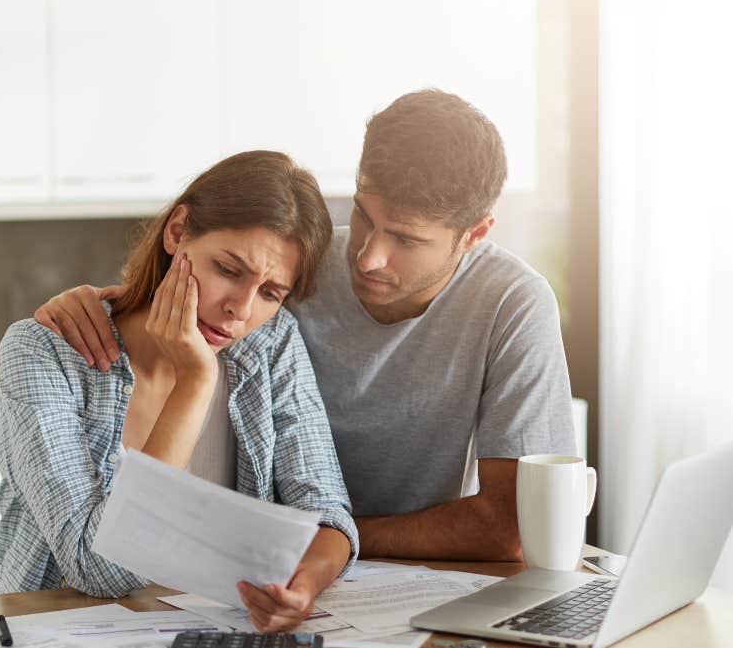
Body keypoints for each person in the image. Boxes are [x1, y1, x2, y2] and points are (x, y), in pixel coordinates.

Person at [35, 90, 575, 563]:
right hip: (273, 567)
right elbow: (199, 295)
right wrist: (103, 304)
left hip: (340, 566)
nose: (368, 258)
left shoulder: (512, 304)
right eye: (363, 215)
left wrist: (327, 540)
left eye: (406, 240)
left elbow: (510, 528)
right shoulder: (297, 271)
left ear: (474, 234)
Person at [0, 151, 358, 632]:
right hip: (53, 638)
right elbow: (100, 571)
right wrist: (195, 382)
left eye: (270, 293)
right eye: (228, 269)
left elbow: (327, 513)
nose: (241, 310)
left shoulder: (271, 342)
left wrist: (304, 586)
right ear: (177, 232)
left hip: (208, 633)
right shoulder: (44, 354)